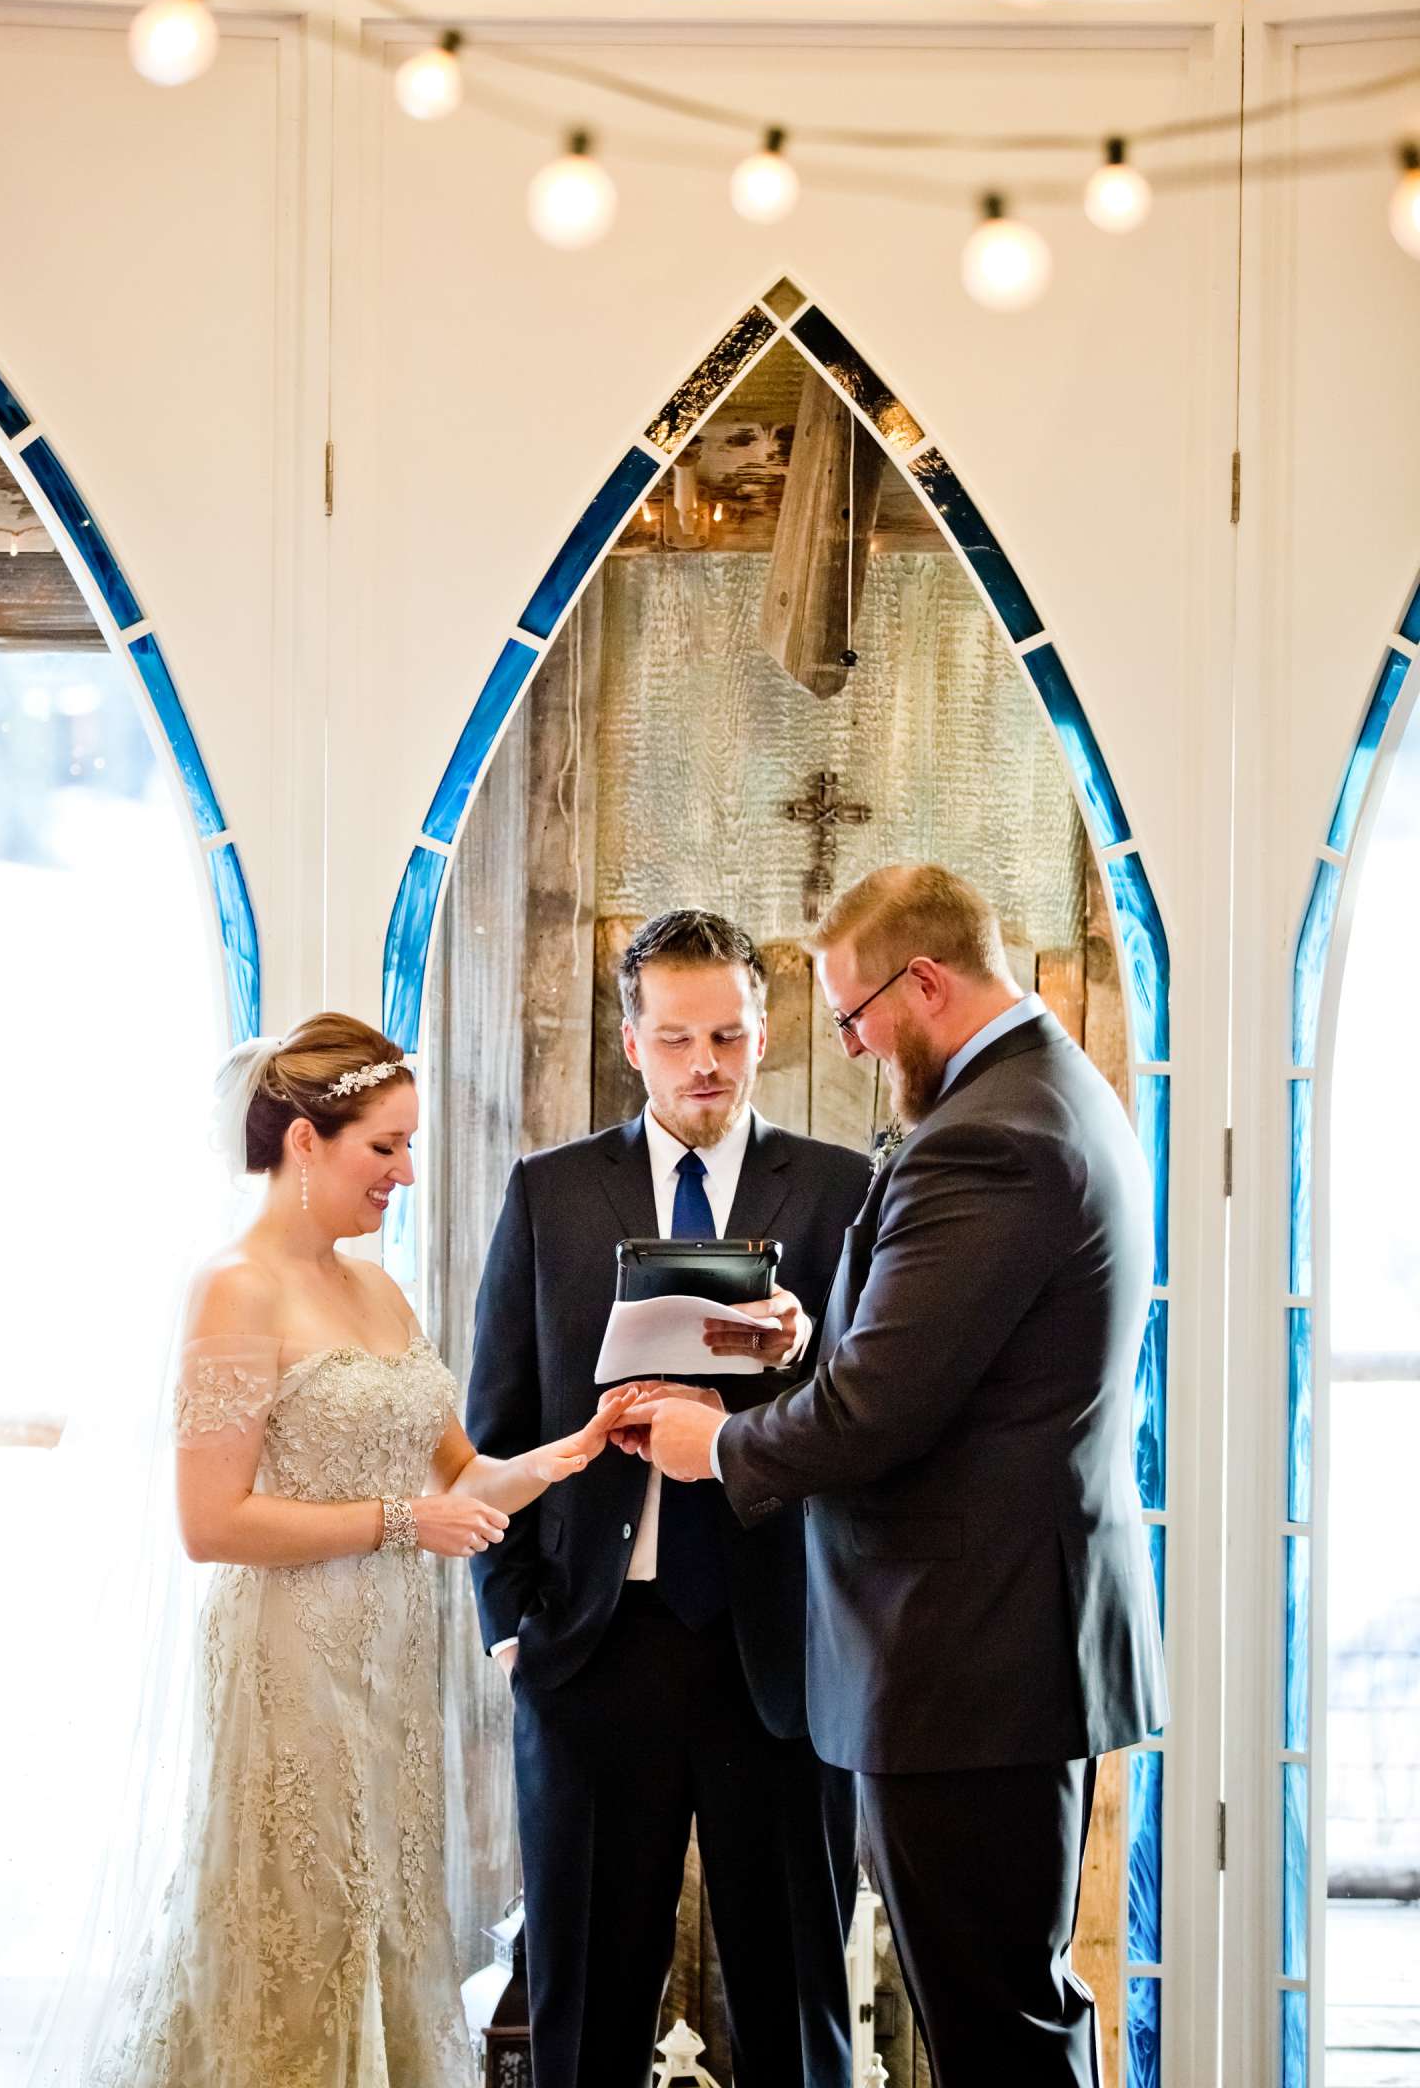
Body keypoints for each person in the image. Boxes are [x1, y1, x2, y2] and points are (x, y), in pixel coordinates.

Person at [635, 863, 1168, 2088]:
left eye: (852, 1015)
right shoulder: (1046, 1095)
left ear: (921, 981)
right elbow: (949, 1362)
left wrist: (711, 1443)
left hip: (965, 1654)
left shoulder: (989, 1136)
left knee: (995, 2032)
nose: (857, 1045)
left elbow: (877, 1414)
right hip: (1003, 1641)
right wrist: (808, 1339)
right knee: (1014, 2006)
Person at [90, 1014, 634, 2088]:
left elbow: (462, 1481)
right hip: (291, 1663)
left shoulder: (377, 1291)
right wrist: (399, 1524)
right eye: (383, 1147)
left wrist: (574, 1450)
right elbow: (212, 1523)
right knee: (299, 1925)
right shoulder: (234, 1289)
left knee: (382, 1916)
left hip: (391, 1676)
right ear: (303, 1141)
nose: (405, 1172)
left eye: (409, 1145)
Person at [466, 910, 870, 2088]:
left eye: (731, 1037)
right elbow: (499, 1417)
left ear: (765, 1034)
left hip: (781, 1652)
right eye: (681, 1037)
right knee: (584, 2012)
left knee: (798, 2011)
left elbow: (872, 1414)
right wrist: (510, 1623)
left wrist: (799, 1350)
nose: (708, 1064)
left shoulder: (843, 1189)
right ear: (631, 1042)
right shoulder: (550, 1193)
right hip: (593, 1646)